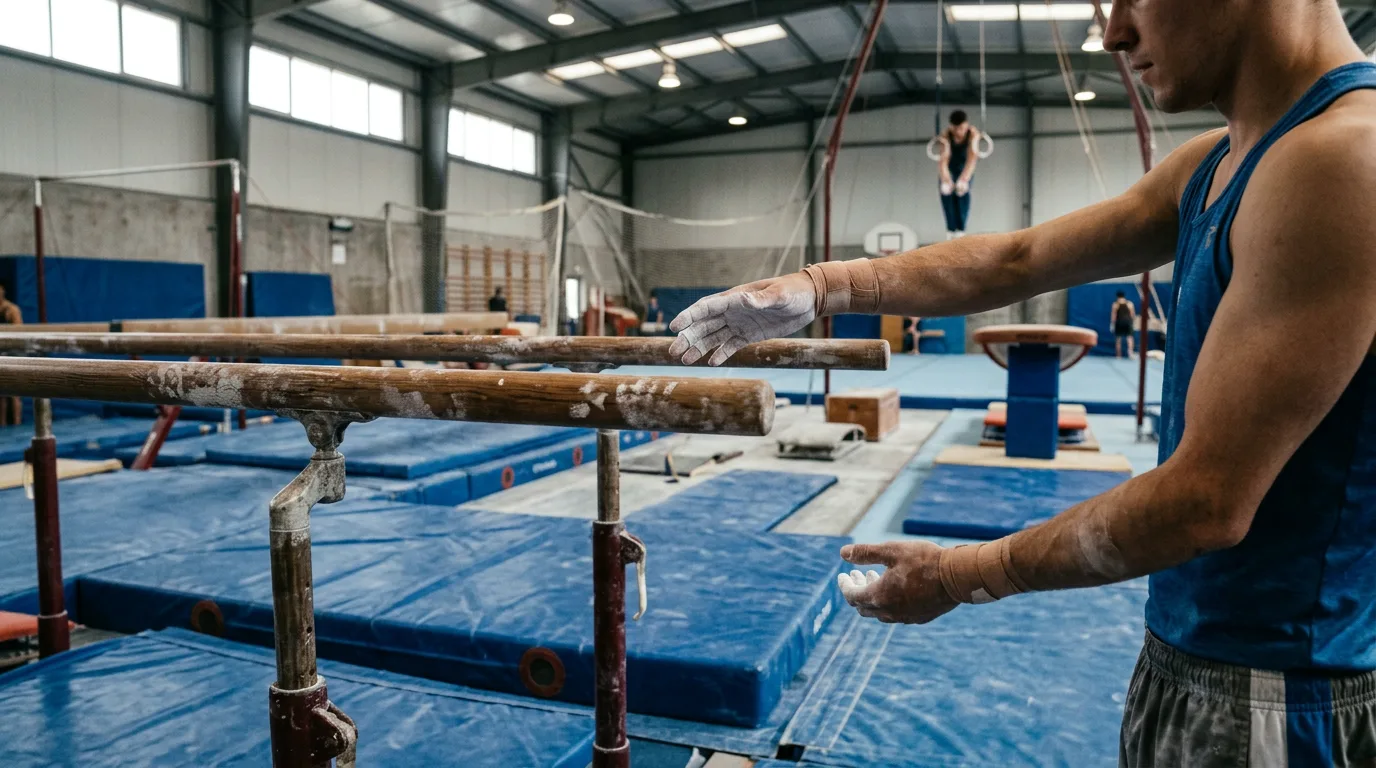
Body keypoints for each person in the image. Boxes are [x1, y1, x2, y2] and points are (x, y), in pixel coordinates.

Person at [668, 0, 1376, 762]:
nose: (1114, 33)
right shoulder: (1221, 158)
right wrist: (820, 286)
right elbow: (1020, 260)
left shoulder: (1341, 159)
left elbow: (1205, 501)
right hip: (1192, 650)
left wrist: (959, 574)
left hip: (1281, 686)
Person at [937, 110, 981, 240]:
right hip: (949, 169)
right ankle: (950, 230)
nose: (958, 132)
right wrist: (946, 179)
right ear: (951, 126)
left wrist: (964, 179)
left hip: (965, 168)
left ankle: (961, 230)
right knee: (945, 191)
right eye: (955, 129)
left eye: (961, 128)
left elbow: (972, 159)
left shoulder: (973, 134)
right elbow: (943, 161)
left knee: (962, 191)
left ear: (966, 125)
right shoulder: (945, 136)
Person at [0, 282, 21, 426]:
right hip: (1, 350)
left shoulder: (12, 309)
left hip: (12, 350)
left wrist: (9, 319)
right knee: (1, 393)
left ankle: (17, 423)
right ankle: (2, 423)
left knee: (14, 392)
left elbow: (20, 330)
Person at [1111, 290, 1137, 358]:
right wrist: (1133, 323)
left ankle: (1118, 355)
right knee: (1129, 338)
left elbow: (1113, 315)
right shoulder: (1130, 304)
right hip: (1127, 322)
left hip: (1119, 323)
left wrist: (1112, 324)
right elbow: (1133, 315)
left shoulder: (1115, 304)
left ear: (1117, 297)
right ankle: (1130, 353)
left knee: (1118, 339)